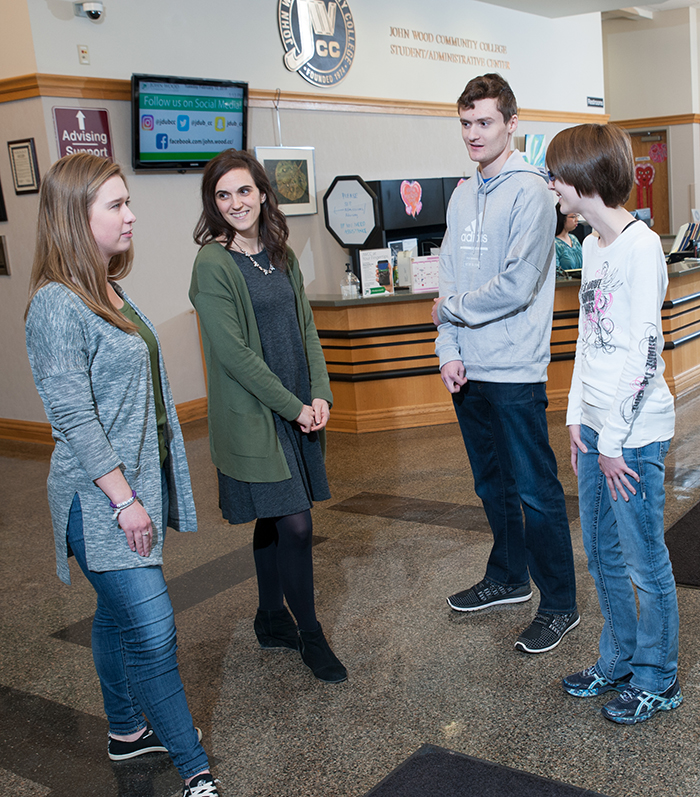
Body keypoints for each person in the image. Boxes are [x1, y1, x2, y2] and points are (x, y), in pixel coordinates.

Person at [24, 153, 220, 797]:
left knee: (114, 617)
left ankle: (126, 731)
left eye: (126, 201)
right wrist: (125, 500)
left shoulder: (107, 287)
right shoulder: (55, 304)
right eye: (115, 205)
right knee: (155, 632)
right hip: (99, 497)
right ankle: (195, 772)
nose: (131, 214)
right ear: (75, 219)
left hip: (130, 486)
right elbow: (74, 418)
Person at [431, 73, 578, 654]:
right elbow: (447, 273)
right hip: (467, 369)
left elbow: (517, 286)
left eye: (484, 122)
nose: (473, 133)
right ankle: (510, 578)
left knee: (537, 490)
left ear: (511, 124)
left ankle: (560, 603)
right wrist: (448, 350)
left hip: (514, 369)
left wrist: (453, 313)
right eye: (465, 123)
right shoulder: (463, 193)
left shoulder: (532, 193)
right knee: (491, 484)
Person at [189, 149, 346, 684]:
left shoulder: (280, 252)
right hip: (259, 414)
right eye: (223, 195)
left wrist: (320, 392)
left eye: (244, 191)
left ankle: (270, 617)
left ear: (262, 192)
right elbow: (233, 355)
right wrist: (294, 406)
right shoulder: (213, 263)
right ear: (214, 204)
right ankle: (310, 633)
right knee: (295, 523)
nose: (236, 203)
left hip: (299, 404)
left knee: (275, 516)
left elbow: (306, 328)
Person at [547, 124, 680, 724]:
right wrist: (578, 419)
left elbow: (644, 351)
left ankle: (658, 676)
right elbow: (588, 341)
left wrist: (614, 441)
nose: (552, 186)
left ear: (581, 179)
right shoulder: (595, 248)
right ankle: (621, 659)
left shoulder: (639, 246)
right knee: (601, 554)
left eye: (555, 176)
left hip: (634, 435)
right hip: (600, 431)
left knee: (643, 560)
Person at [555, 203, 583, 276]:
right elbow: (556, 272)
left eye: (577, 216)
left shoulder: (574, 239)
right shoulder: (555, 244)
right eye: (573, 217)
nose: (577, 220)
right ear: (562, 218)